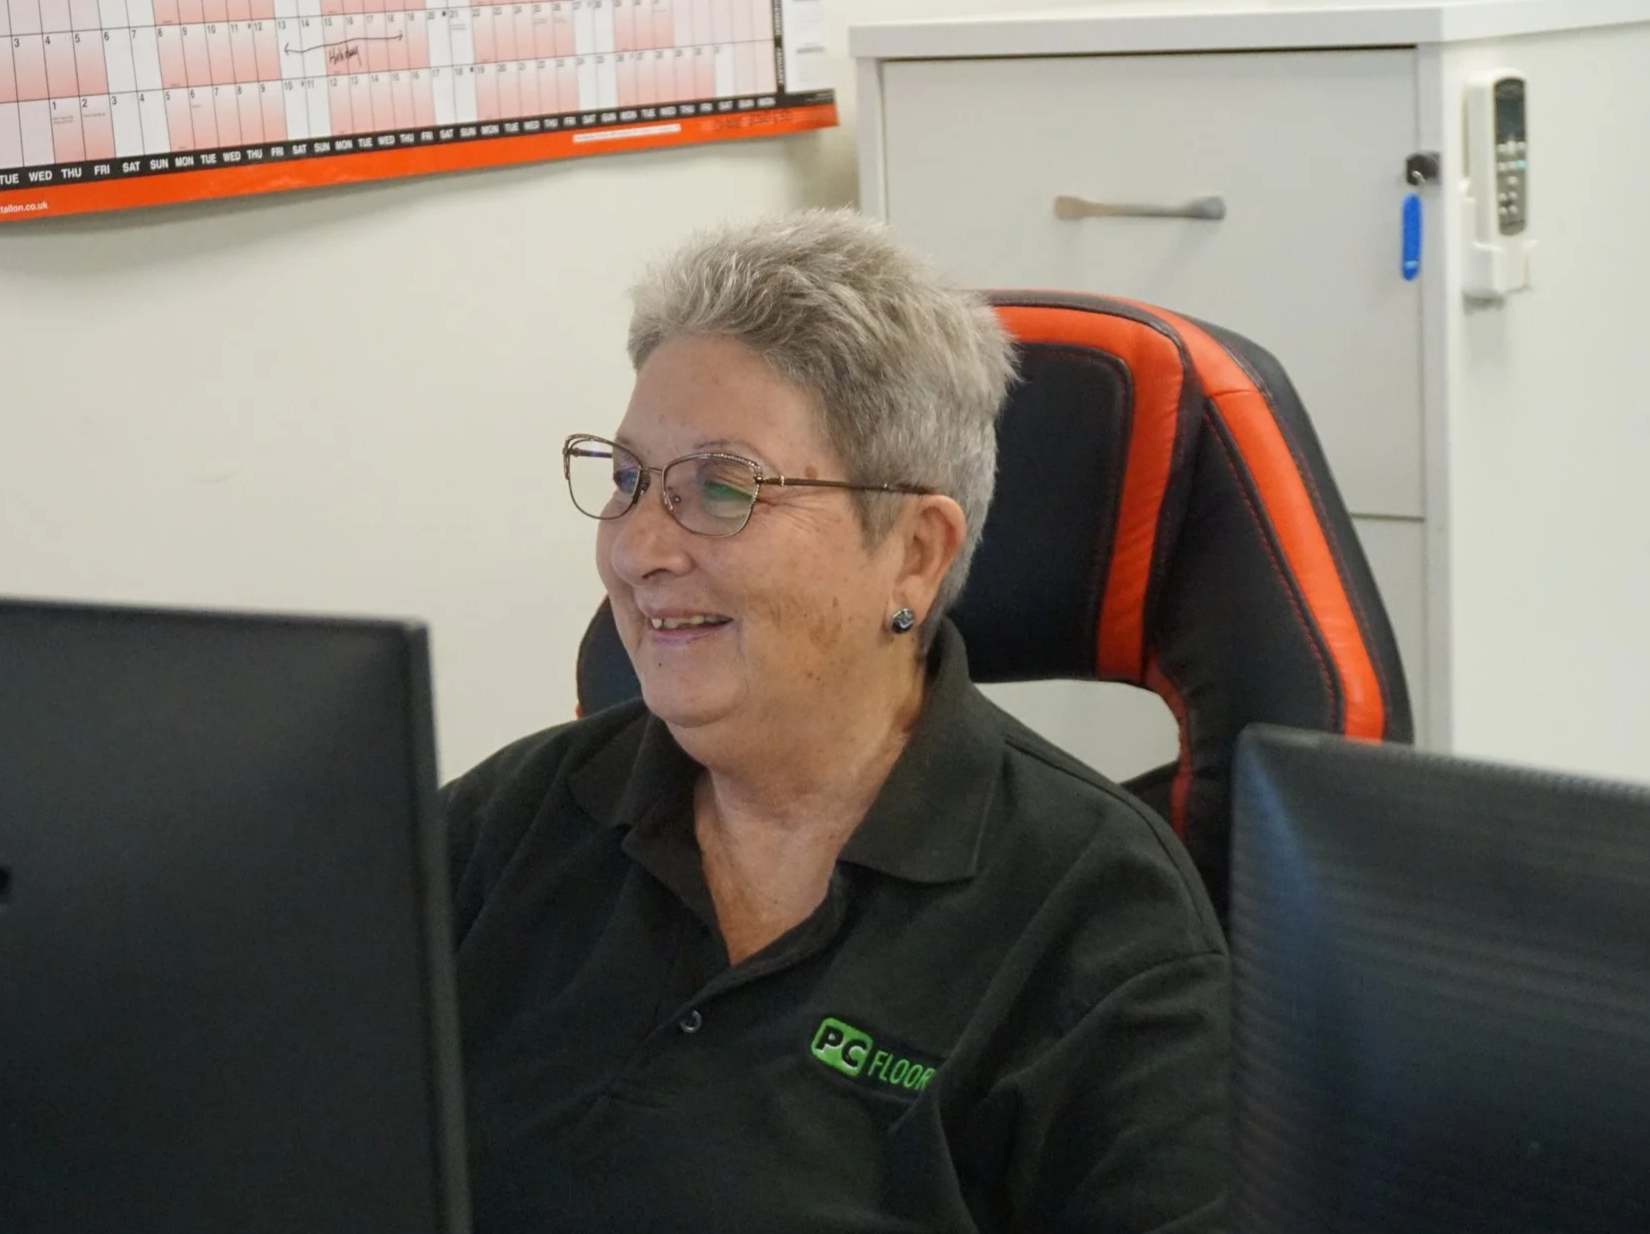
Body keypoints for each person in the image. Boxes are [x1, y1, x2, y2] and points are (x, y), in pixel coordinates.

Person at [442, 209, 1229, 1233]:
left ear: (913, 552)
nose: (639, 550)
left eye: (721, 488)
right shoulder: (511, 821)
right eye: (629, 480)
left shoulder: (1097, 918)